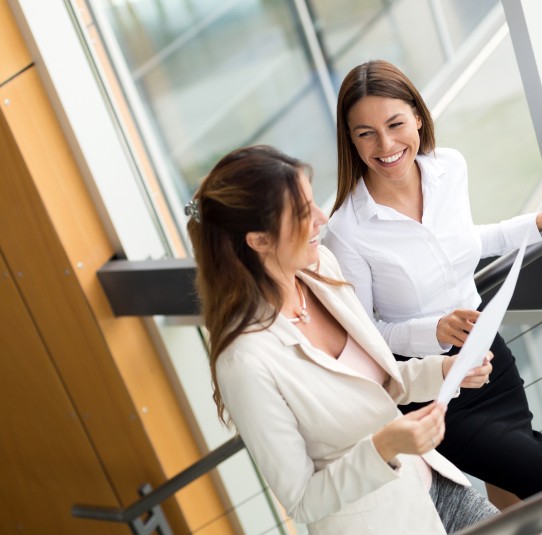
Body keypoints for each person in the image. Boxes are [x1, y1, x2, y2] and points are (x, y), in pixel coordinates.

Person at [185, 144, 498, 534]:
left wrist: (446, 370)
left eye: (314, 203)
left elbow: (379, 384)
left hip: (436, 485)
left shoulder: (321, 273)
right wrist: (384, 447)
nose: (321, 218)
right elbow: (301, 500)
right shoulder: (245, 361)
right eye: (302, 213)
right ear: (259, 240)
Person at [323, 59, 542, 510]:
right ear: (351, 141)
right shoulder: (346, 229)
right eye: (365, 133)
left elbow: (468, 241)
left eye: (395, 124)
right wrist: (435, 330)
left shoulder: (449, 168)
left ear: (418, 117)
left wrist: (534, 226)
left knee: (515, 488)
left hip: (488, 359)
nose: (385, 144)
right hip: (433, 390)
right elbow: (369, 336)